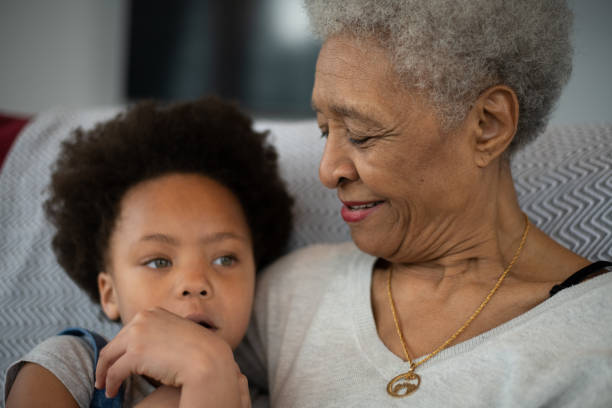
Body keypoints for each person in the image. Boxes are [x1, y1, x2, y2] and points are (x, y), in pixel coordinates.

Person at [91, 0, 612, 407]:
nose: (327, 170)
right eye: (324, 131)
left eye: (361, 135)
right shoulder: (292, 292)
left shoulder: (595, 340)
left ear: (488, 125)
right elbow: (120, 358)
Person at [3, 97, 293, 408]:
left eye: (225, 259)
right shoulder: (70, 366)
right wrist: (200, 380)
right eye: (159, 261)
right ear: (110, 293)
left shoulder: (269, 400)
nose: (195, 282)